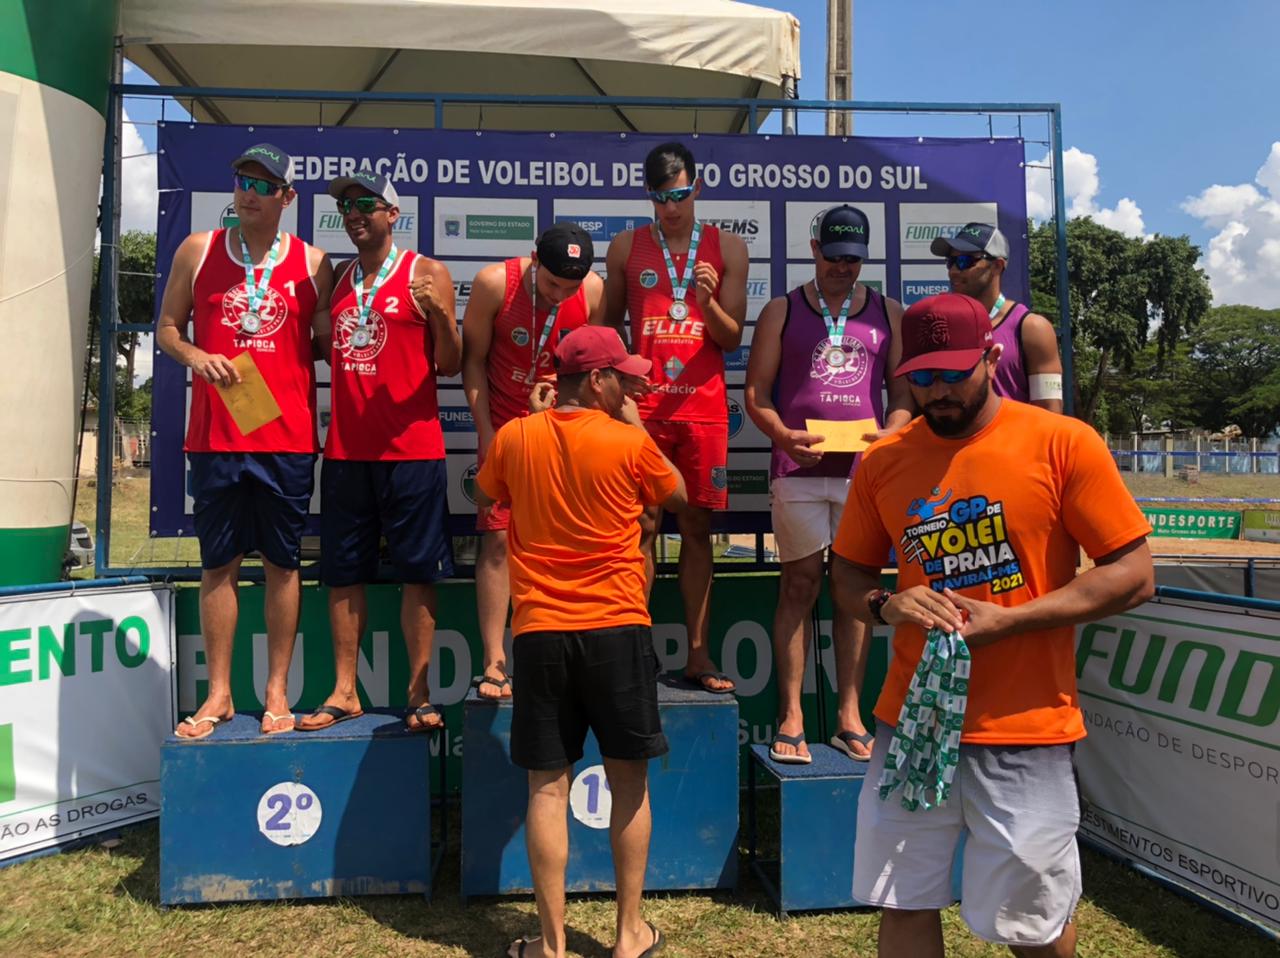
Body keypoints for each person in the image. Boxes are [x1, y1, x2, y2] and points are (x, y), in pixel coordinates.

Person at [830, 292, 1154, 957]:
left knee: (1030, 924)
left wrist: (1014, 620)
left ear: (992, 357)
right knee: (903, 899)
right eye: (922, 376)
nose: (938, 390)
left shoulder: (1061, 444)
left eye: (953, 372)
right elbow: (850, 574)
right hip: (913, 725)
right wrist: (883, 606)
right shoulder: (886, 459)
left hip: (1025, 730)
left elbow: (1133, 573)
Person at [475, 325, 685, 958]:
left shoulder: (514, 436)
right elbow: (674, 491)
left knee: (547, 787)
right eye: (620, 375)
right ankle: (628, 937)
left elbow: (491, 493)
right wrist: (629, 421)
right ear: (595, 380)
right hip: (618, 627)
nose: (631, 385)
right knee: (629, 784)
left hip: (540, 631)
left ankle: (552, 945)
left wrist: (540, 423)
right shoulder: (628, 441)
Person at [156, 143, 333, 738]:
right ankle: (220, 694)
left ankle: (278, 691)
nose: (250, 193)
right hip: (215, 439)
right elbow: (167, 329)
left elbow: (326, 342)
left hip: (285, 438)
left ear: (288, 197)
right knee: (219, 566)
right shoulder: (198, 250)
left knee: (284, 566)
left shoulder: (314, 263)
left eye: (264, 185)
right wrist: (196, 355)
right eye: (242, 180)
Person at [744, 205, 912, 764]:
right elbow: (757, 395)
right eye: (835, 256)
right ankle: (790, 714)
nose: (844, 267)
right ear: (814, 249)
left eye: (854, 259)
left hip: (863, 476)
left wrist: (891, 435)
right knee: (798, 586)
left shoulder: (888, 311)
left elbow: (904, 396)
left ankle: (848, 714)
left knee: (855, 593)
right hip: (798, 472)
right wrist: (782, 435)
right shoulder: (781, 311)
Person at [297, 171, 461, 733]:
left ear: (394, 214)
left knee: (419, 573)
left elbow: (452, 363)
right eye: (347, 207)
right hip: (346, 452)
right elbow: (322, 352)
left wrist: (438, 314)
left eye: (367, 204)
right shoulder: (337, 278)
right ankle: (345, 691)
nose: (355, 213)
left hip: (413, 450)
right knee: (344, 573)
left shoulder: (426, 271)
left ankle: (419, 695)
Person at [604, 141, 749, 694]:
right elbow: (605, 328)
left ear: (698, 186)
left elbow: (730, 338)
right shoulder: (626, 246)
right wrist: (621, 385)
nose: (672, 206)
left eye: (681, 193)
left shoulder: (728, 247)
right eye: (662, 197)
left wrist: (708, 303)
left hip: (703, 410)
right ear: (650, 195)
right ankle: (633, 652)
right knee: (638, 527)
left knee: (697, 527)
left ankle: (697, 654)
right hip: (643, 409)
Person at [462, 223, 604, 700]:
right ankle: (494, 661)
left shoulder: (594, 291)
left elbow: (590, 366)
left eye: (570, 288)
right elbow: (473, 362)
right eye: (550, 285)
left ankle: (565, 653)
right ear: (533, 260)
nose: (560, 296)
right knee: (498, 540)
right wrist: (486, 433)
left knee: (566, 537)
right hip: (504, 423)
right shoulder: (493, 284)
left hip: (562, 426)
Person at [932, 222, 1064, 411]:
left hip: (1014, 440)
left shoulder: (1032, 328)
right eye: (950, 262)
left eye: (964, 261)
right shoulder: (941, 323)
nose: (953, 271)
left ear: (997, 266)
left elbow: (1050, 412)